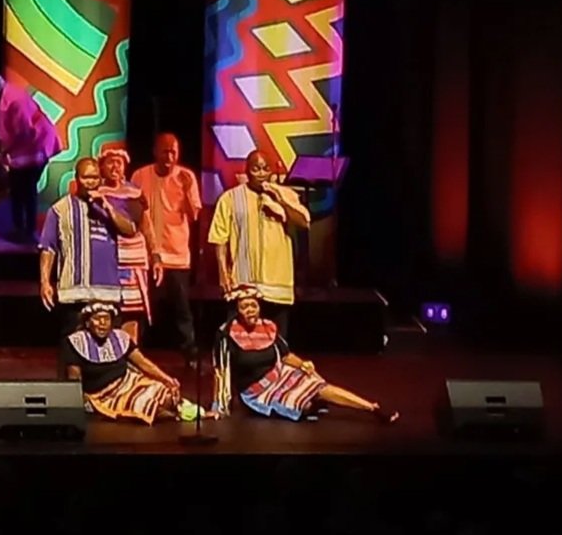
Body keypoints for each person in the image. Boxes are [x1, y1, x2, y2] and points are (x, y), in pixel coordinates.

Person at [213, 286, 395, 422]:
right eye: (245, 307)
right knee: (305, 405)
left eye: (253, 305)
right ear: (237, 310)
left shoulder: (267, 327)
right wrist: (219, 406)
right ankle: (311, 404)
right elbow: (221, 371)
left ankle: (371, 408)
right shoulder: (227, 334)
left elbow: (285, 356)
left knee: (316, 384)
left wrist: (302, 364)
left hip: (278, 376)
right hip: (254, 392)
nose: (250, 310)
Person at [207, 150, 309, 337]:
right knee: (239, 340)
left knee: (277, 342)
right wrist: (223, 273)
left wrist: (281, 202)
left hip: (277, 284)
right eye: (256, 169)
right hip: (244, 283)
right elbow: (219, 238)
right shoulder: (230, 198)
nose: (261, 173)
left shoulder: (285, 194)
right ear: (247, 171)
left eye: (265, 168)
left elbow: (303, 222)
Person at [37, 157, 139, 332]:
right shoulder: (59, 209)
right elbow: (48, 248)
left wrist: (106, 206)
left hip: (108, 292)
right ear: (77, 179)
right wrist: (45, 282)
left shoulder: (109, 206)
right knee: (75, 347)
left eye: (95, 178)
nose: (91, 183)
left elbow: (130, 230)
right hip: (74, 293)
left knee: (108, 351)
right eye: (86, 178)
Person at [58, 300, 201, 425]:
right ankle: (168, 413)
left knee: (164, 391)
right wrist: (78, 403)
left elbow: (143, 363)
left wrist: (168, 380)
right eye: (97, 319)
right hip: (102, 395)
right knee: (142, 403)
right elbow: (74, 377)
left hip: (129, 382)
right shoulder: (76, 341)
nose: (102, 323)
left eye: (106, 319)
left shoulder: (120, 337)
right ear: (88, 322)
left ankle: (179, 411)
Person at [133, 131, 202, 358]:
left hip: (176, 254)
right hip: (146, 254)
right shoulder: (140, 175)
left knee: (182, 308)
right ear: (155, 152)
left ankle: (189, 352)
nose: (170, 156)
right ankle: (136, 353)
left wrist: (186, 191)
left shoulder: (186, 176)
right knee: (143, 305)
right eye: (165, 151)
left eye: (174, 152)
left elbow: (194, 216)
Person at [0, 71, 62, 242]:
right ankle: (18, 229)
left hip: (36, 144)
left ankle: (29, 232)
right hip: (20, 147)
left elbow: (24, 132)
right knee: (17, 186)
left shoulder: (15, 100)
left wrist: (3, 153)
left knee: (26, 187)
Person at [98, 146, 151, 341]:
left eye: (118, 163)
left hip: (133, 259)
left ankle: (131, 360)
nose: (114, 167)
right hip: (108, 258)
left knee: (132, 311)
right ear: (101, 167)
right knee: (108, 309)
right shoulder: (96, 194)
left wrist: (156, 256)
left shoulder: (135, 193)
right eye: (110, 162)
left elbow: (145, 225)